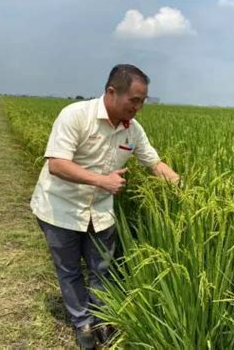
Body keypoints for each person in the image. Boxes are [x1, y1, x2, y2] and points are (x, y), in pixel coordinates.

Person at [30, 64, 179, 348]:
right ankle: (82, 322)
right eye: (134, 100)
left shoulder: (132, 131)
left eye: (142, 101)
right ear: (112, 92)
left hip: (99, 211)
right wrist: (102, 181)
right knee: (70, 269)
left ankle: (101, 318)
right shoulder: (76, 116)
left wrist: (183, 187)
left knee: (102, 268)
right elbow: (57, 164)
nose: (138, 107)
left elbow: (154, 163)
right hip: (59, 208)